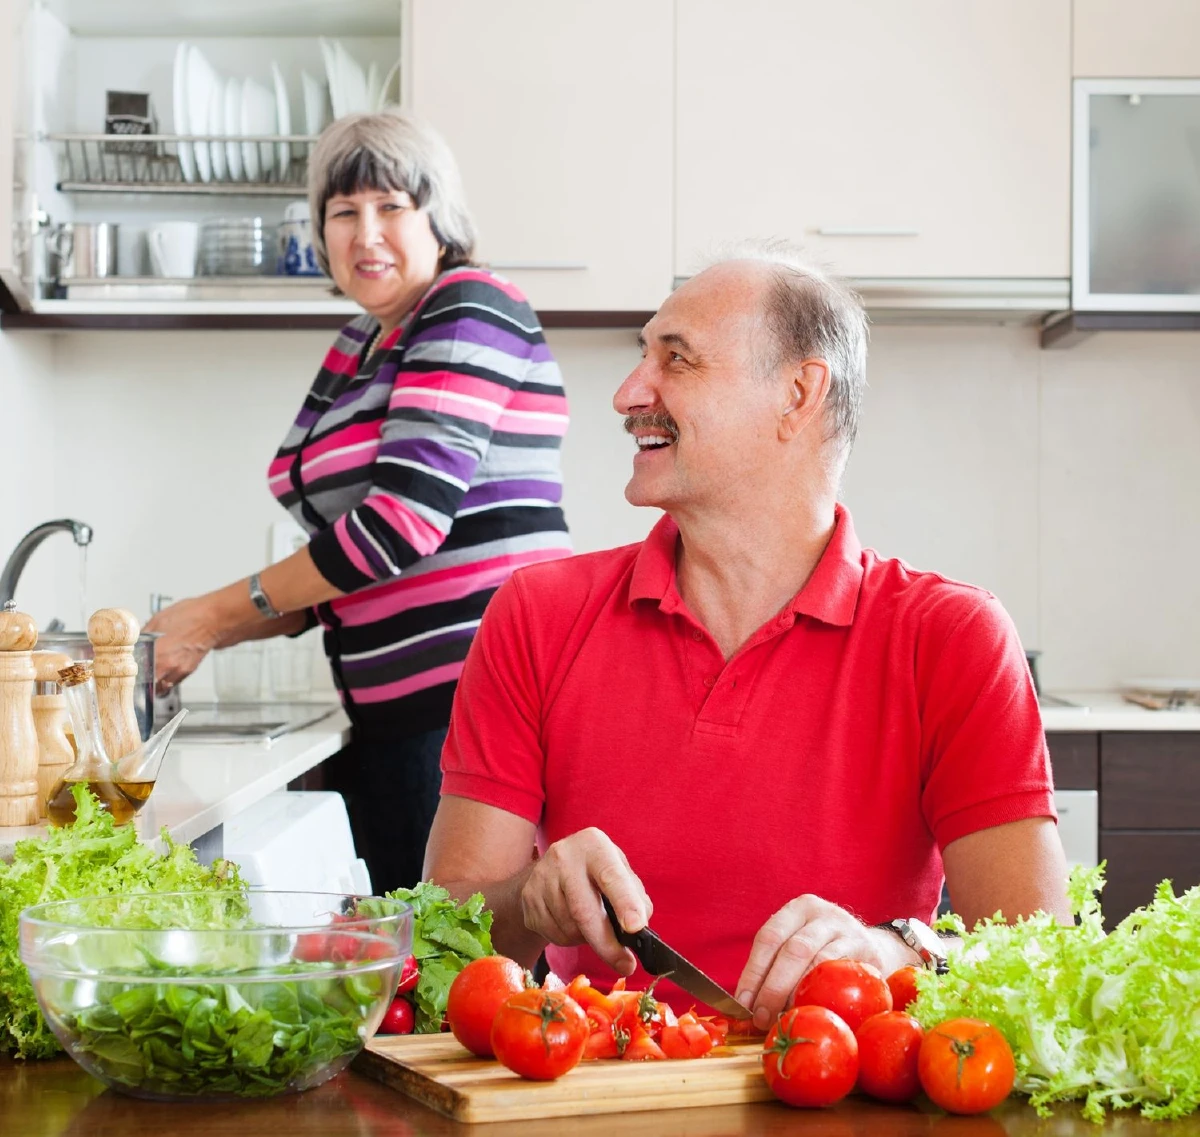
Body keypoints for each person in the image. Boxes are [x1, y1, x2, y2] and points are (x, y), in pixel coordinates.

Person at [424, 240, 1071, 1030]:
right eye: (643, 355)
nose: (630, 392)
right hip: (603, 1078)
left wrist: (893, 951)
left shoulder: (951, 636)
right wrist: (530, 896)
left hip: (842, 1083)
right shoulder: (536, 614)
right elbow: (444, 934)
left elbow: (1038, 962)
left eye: (677, 358)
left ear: (798, 394)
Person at [145, 111, 571, 892]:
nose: (366, 233)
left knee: (466, 952)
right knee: (417, 951)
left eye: (391, 207)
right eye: (343, 212)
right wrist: (199, 634)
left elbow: (395, 528)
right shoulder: (360, 344)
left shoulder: (468, 305)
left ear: (438, 218)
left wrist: (212, 615)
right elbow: (344, 563)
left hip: (474, 707)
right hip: (396, 716)